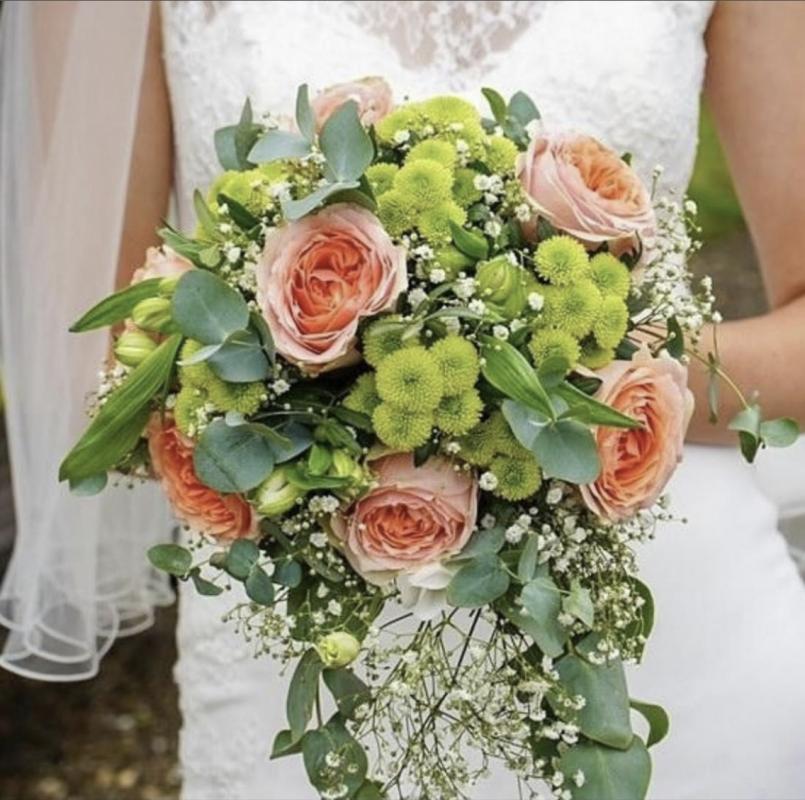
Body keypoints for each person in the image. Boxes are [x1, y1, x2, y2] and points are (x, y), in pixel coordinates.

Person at [1, 2, 804, 798]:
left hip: (682, 627)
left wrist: (564, 376)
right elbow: (95, 371)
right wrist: (317, 385)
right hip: (318, 664)